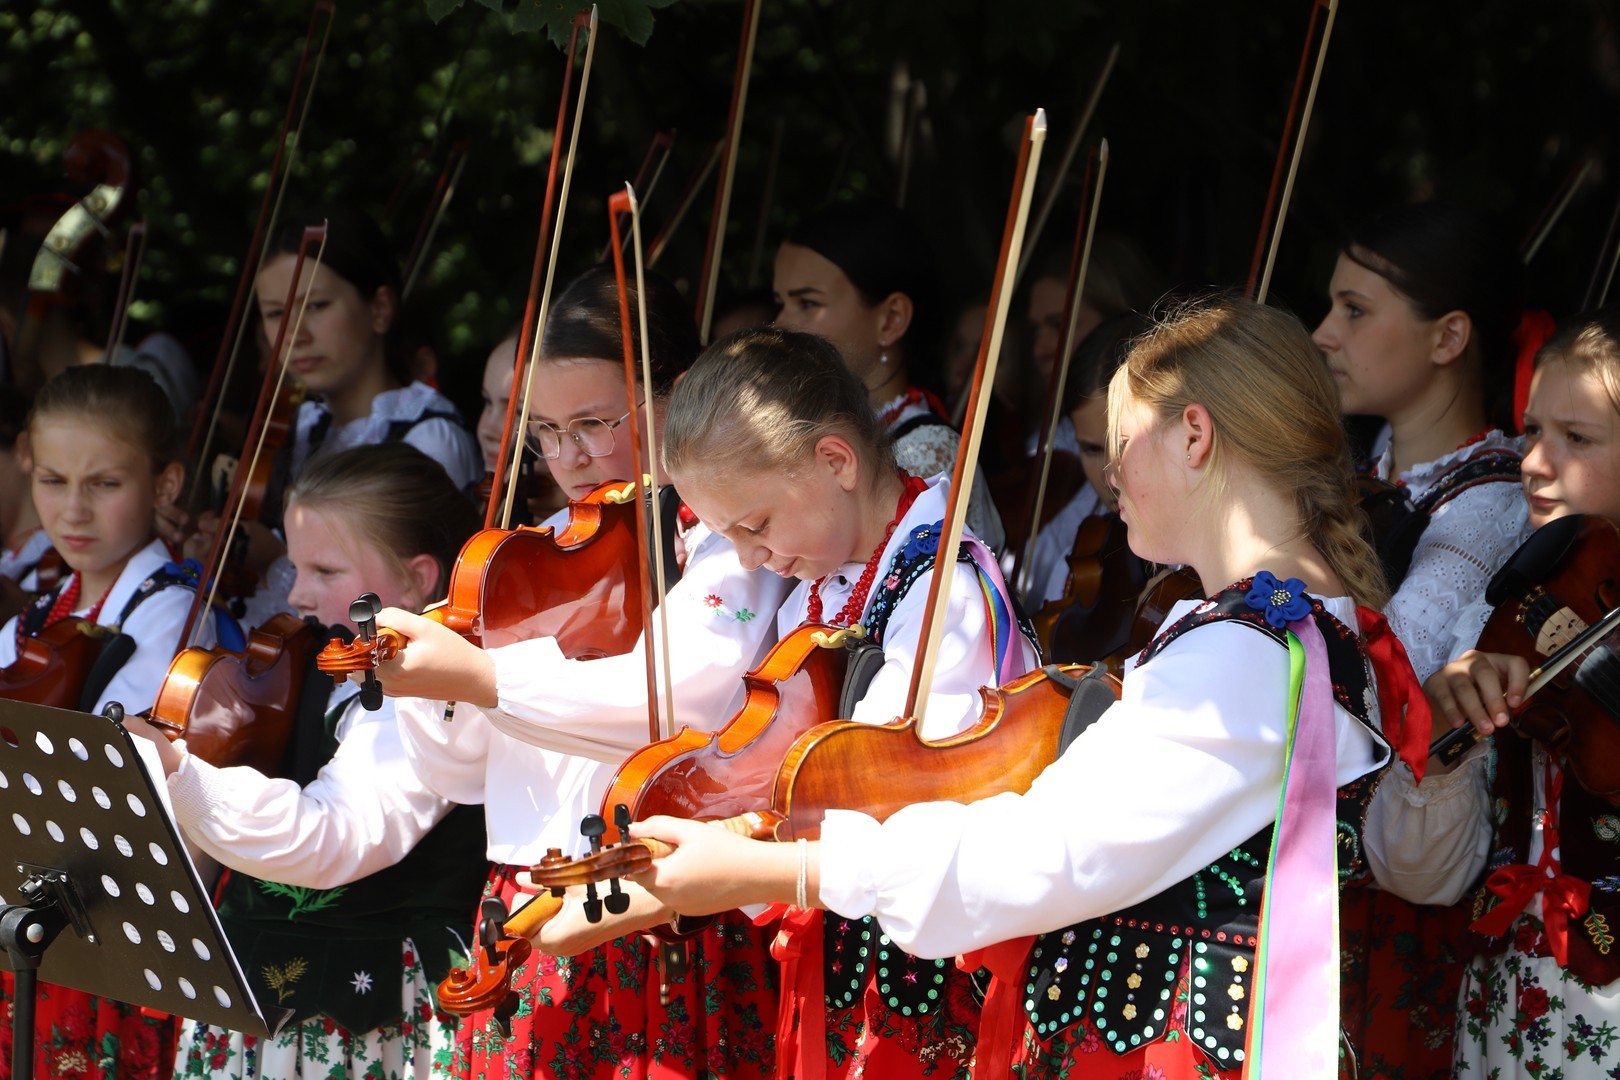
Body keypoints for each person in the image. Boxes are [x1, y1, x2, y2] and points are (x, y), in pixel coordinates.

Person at [623, 298, 1405, 1079]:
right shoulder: (1283, 634)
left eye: (1119, 443)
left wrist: (781, 871)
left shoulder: (1243, 657)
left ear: (1193, 436)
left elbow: (1045, 851)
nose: (1108, 474)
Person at [546, 325, 1040, 1078]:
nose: (752, 557)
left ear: (835, 461)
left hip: (918, 974)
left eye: (756, 525)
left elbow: (880, 802)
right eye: (728, 536)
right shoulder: (827, 584)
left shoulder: (944, 595)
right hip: (843, 950)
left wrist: (711, 872)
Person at [339, 266, 793, 1080]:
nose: (568, 457)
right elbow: (461, 775)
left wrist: (485, 677)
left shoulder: (730, 540)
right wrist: (428, 693)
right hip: (532, 899)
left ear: (677, 393)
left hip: (659, 906)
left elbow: (682, 690)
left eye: (592, 424)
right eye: (544, 431)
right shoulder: (533, 554)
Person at [120, 444, 488, 1080]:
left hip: (362, 1005)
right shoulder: (315, 662)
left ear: (418, 578)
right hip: (253, 984)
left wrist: (180, 770)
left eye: (325, 570)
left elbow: (334, 836)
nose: (297, 594)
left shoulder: (437, 701)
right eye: (295, 566)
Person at [1312, 201, 1535, 1078]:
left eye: (1355, 310)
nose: (1324, 334)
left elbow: (1379, 690)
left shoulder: (1492, 507)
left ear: (1448, 338)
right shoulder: (1349, 478)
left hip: (1399, 914)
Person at [1370, 310, 1620, 1078]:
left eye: (1577, 438)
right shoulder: (1509, 617)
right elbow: (1421, 876)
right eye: (1533, 430)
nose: (1533, 462)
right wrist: (1440, 743)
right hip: (1503, 1018)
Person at [0, 364, 215, 1080]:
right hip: (42, 908)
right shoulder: (42, 611)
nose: (73, 511)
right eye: (52, 480)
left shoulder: (172, 613)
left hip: (115, 919)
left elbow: (92, 770)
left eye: (104, 484)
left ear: (165, 485)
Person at [772, 199, 1006, 551]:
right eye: (781, 303)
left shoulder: (923, 454)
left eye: (807, 303)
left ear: (891, 319)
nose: (779, 325)